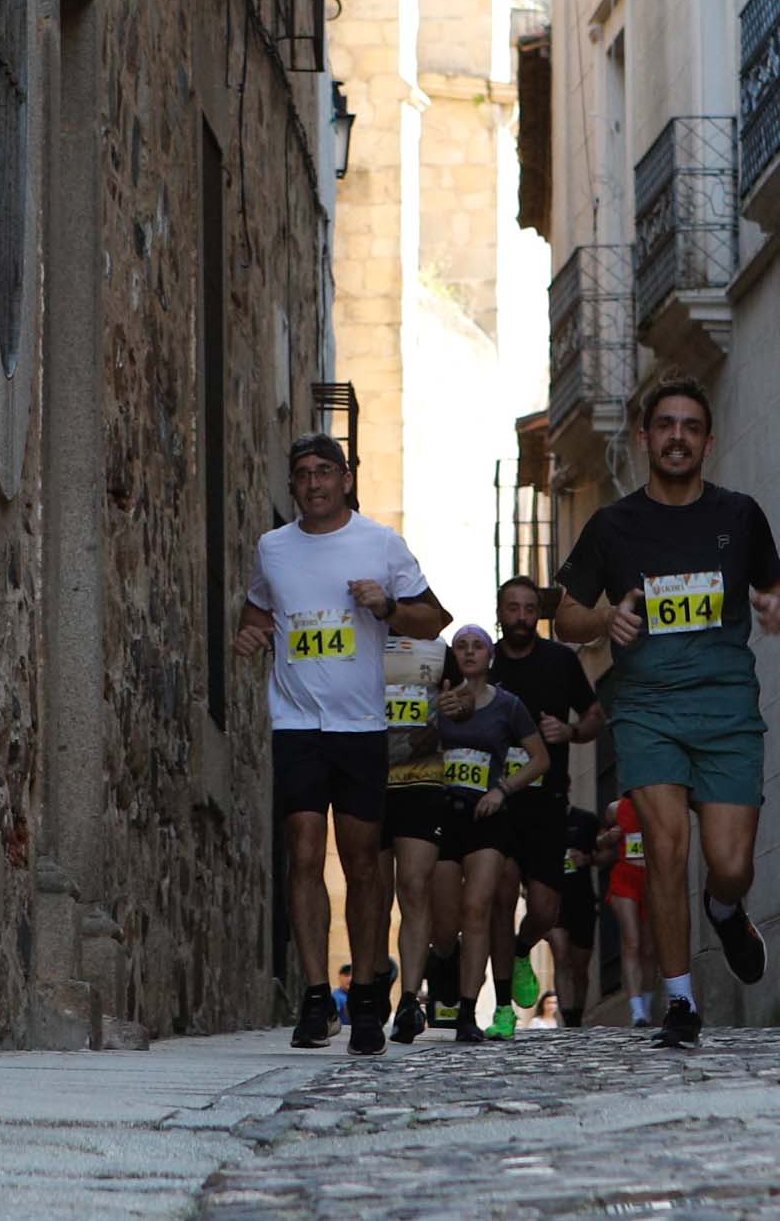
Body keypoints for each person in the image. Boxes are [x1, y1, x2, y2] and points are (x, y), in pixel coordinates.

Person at [554, 378, 780, 1050]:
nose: (678, 436)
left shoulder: (738, 514)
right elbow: (565, 614)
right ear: (645, 438)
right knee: (664, 846)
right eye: (665, 425)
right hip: (646, 707)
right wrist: (606, 618)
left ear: (707, 441)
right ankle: (680, 1002)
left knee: (729, 863)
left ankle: (724, 908)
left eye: (690, 426)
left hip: (724, 707)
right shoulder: (613, 525)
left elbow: (776, 583)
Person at [235, 433, 448, 1055]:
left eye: (325, 472)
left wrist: (386, 606)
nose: (314, 483)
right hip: (297, 723)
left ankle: (364, 996)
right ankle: (311, 996)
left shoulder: (380, 543)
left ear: (346, 478)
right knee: (303, 851)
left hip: (360, 726)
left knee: (360, 864)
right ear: (292, 484)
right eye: (302, 474)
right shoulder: (273, 549)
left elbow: (432, 618)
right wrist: (250, 636)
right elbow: (256, 612)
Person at [486, 575, 606, 1036]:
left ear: (540, 613)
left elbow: (596, 716)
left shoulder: (560, 661)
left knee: (544, 909)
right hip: (496, 801)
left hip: (548, 798)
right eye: (512, 608)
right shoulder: (486, 662)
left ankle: (520, 950)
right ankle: (501, 1009)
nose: (521, 616)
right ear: (500, 612)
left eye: (529, 608)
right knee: (500, 895)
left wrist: (569, 732)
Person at [433, 624, 550, 1042]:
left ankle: (467, 1012)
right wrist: (436, 715)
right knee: (445, 926)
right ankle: (443, 964)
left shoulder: (509, 706)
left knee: (477, 909)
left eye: (477, 646)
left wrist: (502, 791)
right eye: (461, 646)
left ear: (489, 656)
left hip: (488, 818)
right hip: (447, 816)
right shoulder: (441, 699)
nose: (469, 652)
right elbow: (415, 745)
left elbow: (539, 760)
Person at [377, 628, 465, 1044]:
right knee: (372, 895)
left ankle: (409, 1000)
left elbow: (467, 701)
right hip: (368, 781)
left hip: (423, 783)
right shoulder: (361, 642)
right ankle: (374, 975)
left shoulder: (438, 651)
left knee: (413, 886)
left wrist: (456, 703)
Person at [598, 795, 652, 1026]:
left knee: (650, 949)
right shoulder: (615, 808)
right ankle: (636, 1010)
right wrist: (608, 837)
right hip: (625, 877)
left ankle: (647, 1007)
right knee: (632, 943)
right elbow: (599, 843)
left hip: (651, 879)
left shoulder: (657, 802)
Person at [548, 804, 602, 1027]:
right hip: (553, 899)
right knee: (561, 957)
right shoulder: (541, 822)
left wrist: (588, 859)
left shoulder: (586, 819)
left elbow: (607, 853)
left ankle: (577, 1013)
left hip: (582, 898)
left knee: (580, 965)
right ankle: (567, 1015)